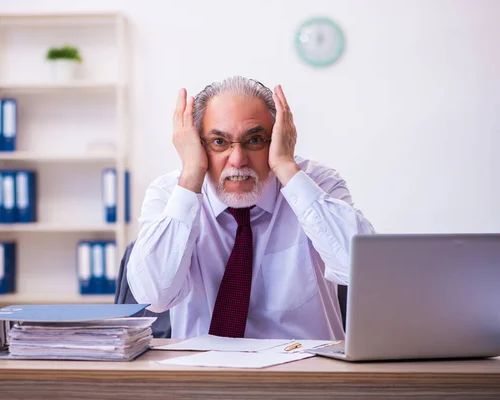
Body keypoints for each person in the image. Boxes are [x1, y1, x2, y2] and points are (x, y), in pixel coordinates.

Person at [127, 76, 376, 340]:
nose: (237, 160)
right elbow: (153, 297)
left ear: (280, 137)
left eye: (255, 140)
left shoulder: (318, 184)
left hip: (304, 373)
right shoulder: (169, 194)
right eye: (219, 142)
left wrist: (285, 166)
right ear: (197, 145)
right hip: (202, 373)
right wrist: (190, 177)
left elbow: (367, 275)